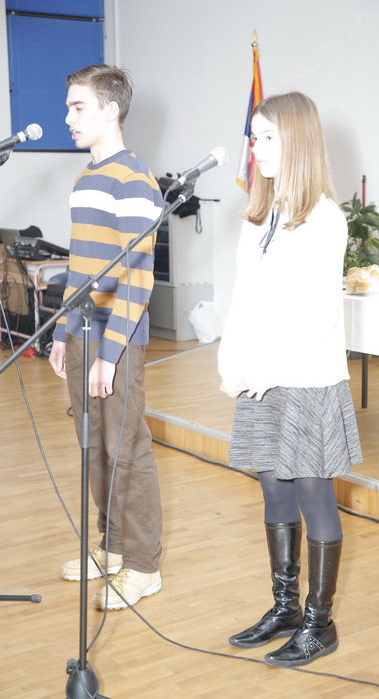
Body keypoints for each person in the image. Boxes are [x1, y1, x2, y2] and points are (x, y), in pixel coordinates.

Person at [218, 92, 362, 667]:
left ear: (297, 140)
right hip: (260, 375)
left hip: (304, 376)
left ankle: (320, 622)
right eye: (254, 136)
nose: (256, 147)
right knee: (272, 487)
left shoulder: (324, 218)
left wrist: (269, 369)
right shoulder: (261, 215)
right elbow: (246, 297)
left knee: (312, 493)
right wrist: (232, 361)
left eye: (267, 136)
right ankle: (285, 607)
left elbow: (314, 313)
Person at [49, 64, 163, 611]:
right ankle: (112, 547)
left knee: (127, 449)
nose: (68, 118)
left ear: (110, 109)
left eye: (78, 107)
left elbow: (138, 279)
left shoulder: (135, 180)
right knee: (93, 445)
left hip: (117, 339)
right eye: (68, 107)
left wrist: (109, 354)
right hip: (82, 335)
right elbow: (80, 269)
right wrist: (62, 333)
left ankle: (143, 566)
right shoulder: (84, 179)